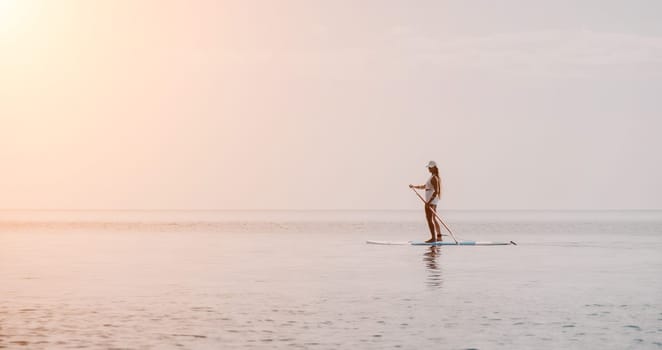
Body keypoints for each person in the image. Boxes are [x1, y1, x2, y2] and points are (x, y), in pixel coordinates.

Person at [409, 161, 442, 243]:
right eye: (428, 167)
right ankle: (438, 237)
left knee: (429, 219)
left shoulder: (434, 178)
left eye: (430, 167)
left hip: (431, 201)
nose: (428, 169)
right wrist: (414, 187)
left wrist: (428, 202)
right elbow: (424, 186)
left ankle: (433, 238)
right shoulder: (432, 177)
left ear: (434, 167)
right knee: (433, 219)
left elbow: (436, 191)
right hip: (431, 201)